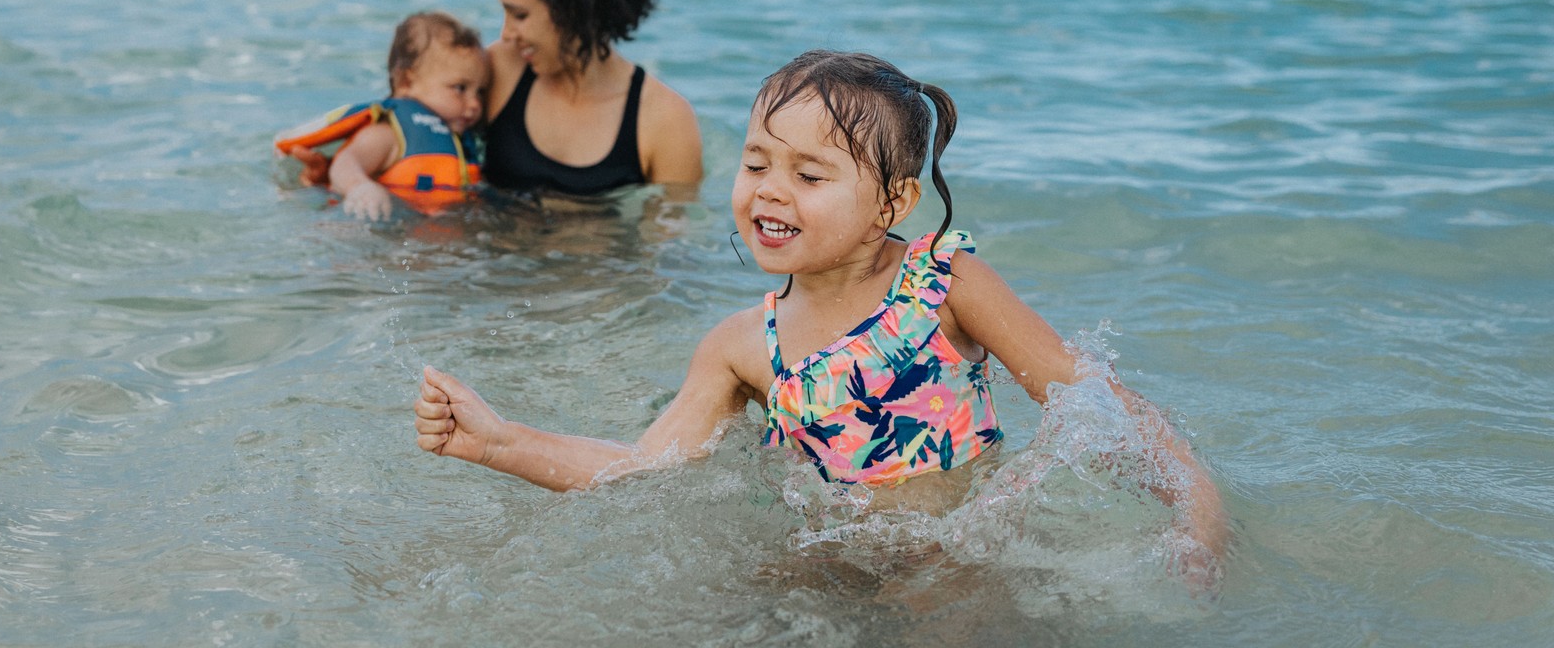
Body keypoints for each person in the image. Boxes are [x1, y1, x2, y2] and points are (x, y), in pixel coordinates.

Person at [416, 51, 1227, 575]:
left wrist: (1195, 514)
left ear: (893, 201)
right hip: (824, 564)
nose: (769, 188)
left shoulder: (944, 287)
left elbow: (1090, 402)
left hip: (956, 563)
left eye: (811, 175)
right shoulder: (740, 347)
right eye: (756, 161)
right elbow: (647, 467)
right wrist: (503, 443)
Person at [485, 0, 702, 194]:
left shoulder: (665, 121)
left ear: (576, 9)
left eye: (520, 15)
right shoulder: (498, 71)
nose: (506, 34)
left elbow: (673, 238)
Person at [275, 12, 490, 220]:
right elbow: (346, 162)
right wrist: (360, 187)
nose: (475, 104)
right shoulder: (390, 134)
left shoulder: (459, 143)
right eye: (460, 88)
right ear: (407, 82)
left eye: (480, 91)